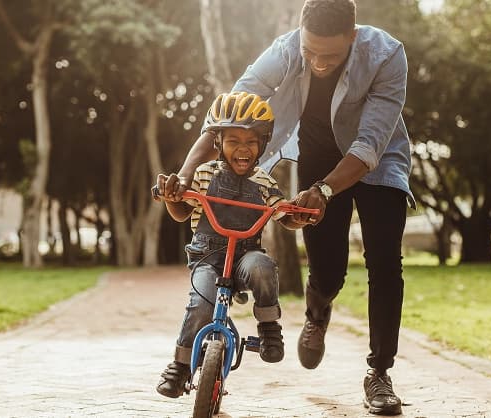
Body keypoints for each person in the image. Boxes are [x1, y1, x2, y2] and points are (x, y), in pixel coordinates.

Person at [159, 0, 414, 414]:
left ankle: (380, 373)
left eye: (329, 54)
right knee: (327, 269)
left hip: (377, 160)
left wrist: (327, 191)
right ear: (301, 34)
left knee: (385, 263)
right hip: (317, 156)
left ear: (352, 36)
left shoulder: (386, 54)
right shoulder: (285, 50)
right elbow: (229, 111)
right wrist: (186, 173)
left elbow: (369, 144)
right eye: (310, 51)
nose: (317, 62)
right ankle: (318, 313)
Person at [154, 91, 304, 399]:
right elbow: (182, 211)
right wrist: (172, 198)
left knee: (262, 268)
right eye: (233, 140)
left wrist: (298, 216)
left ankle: (268, 327)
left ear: (263, 144)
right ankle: (180, 366)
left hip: (245, 257)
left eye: (251, 141)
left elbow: (282, 212)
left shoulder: (263, 181)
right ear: (217, 143)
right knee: (200, 304)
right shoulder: (203, 174)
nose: (243, 148)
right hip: (207, 258)